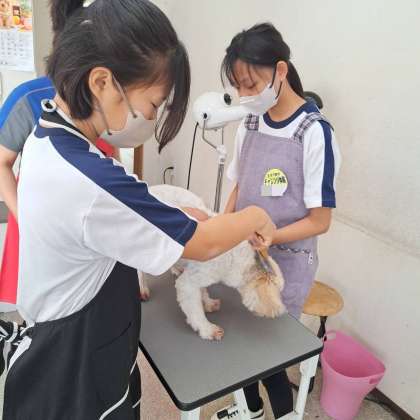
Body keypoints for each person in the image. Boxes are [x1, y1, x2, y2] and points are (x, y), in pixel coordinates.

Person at [3, 2, 276, 419]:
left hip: (58, 335)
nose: (151, 117)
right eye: (153, 103)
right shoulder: (91, 180)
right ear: (102, 82)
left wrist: (176, 216)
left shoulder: (48, 137)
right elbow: (203, 244)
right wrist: (256, 216)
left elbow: (120, 207)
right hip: (78, 364)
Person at [212, 23, 341, 420]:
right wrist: (220, 229)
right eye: (239, 87)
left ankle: (284, 414)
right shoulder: (249, 123)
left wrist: (272, 236)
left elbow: (320, 220)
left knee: (268, 355)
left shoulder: (314, 133)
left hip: (286, 264)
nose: (245, 96)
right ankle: (250, 410)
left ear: (280, 71)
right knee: (241, 340)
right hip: (244, 253)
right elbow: (239, 185)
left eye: (251, 84)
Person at [0, 0, 116, 305]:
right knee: (41, 308)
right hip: (40, 222)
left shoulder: (103, 95)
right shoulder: (29, 98)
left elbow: (110, 154)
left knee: (93, 299)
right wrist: (25, 217)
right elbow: (1, 163)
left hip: (92, 221)